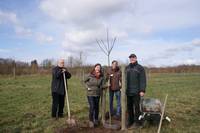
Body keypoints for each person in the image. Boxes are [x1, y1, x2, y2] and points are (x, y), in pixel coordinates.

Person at [126, 54, 146, 128]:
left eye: (133, 58)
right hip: (128, 91)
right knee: (129, 107)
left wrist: (142, 90)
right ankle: (130, 121)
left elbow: (143, 80)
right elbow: (123, 79)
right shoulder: (127, 68)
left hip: (137, 92)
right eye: (130, 58)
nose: (132, 59)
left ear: (136, 58)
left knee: (137, 107)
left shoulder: (140, 68)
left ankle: (137, 122)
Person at [84, 63, 104, 127]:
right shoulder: (90, 75)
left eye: (99, 67)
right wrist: (87, 87)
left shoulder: (101, 76)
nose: (98, 68)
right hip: (90, 94)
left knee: (96, 107)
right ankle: (91, 121)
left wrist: (106, 86)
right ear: (94, 68)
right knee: (92, 107)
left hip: (97, 94)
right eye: (97, 67)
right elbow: (83, 81)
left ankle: (96, 119)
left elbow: (102, 85)